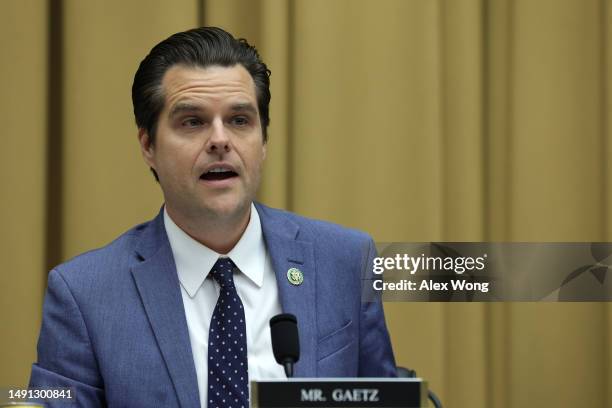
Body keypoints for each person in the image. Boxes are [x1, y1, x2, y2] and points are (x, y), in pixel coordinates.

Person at [29, 26, 396, 407]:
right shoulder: (84, 294)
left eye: (239, 120)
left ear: (264, 141)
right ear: (148, 146)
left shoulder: (347, 261)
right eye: (193, 122)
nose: (220, 140)